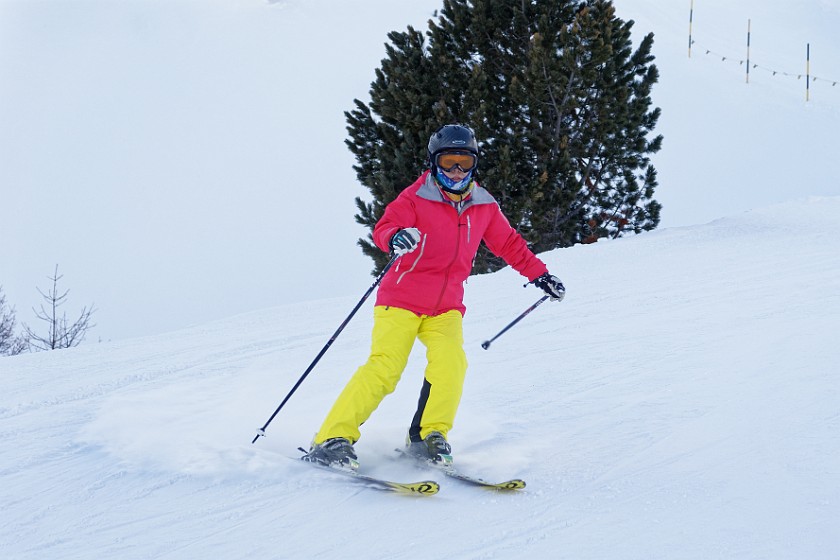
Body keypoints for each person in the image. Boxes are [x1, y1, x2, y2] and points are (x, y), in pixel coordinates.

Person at [302, 124, 565, 469]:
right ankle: (332, 439)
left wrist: (540, 275)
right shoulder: (415, 197)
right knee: (385, 368)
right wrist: (396, 237)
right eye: (448, 162)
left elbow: (509, 245)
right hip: (401, 300)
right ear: (434, 163)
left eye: (464, 162)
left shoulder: (483, 206)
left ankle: (428, 437)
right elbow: (384, 227)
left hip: (446, 308)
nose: (456, 171)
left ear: (474, 164)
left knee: (451, 364)